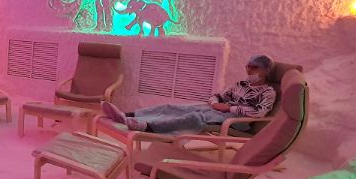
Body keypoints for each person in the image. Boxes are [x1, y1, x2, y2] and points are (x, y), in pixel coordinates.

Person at [102, 54, 277, 134]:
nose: (249, 70)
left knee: (194, 117)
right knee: (173, 107)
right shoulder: (241, 84)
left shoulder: (268, 92)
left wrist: (229, 108)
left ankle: (146, 126)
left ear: (265, 70)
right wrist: (215, 103)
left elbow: (259, 112)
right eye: (248, 66)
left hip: (236, 122)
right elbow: (217, 95)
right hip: (218, 111)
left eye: (254, 67)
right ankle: (128, 115)